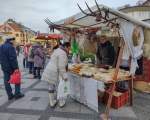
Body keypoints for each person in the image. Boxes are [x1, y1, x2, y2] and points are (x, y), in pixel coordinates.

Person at [41, 42, 71, 108]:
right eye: (68, 48)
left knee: (51, 86)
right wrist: (65, 76)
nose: (69, 50)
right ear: (65, 47)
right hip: (55, 71)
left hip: (50, 69)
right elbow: (61, 66)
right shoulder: (63, 53)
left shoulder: (57, 50)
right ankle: (61, 102)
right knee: (58, 86)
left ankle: (52, 102)